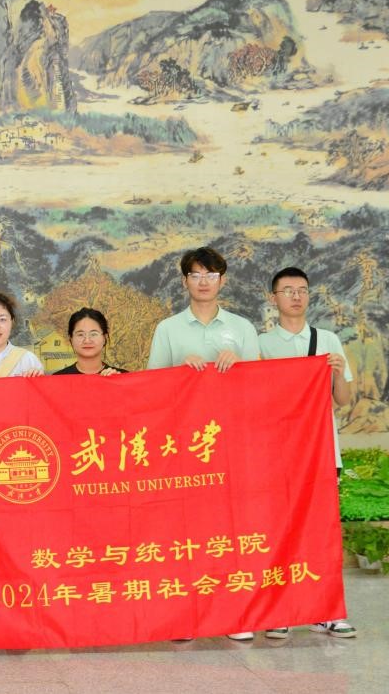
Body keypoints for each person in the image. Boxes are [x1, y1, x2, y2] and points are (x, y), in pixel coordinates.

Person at [145, 247, 260, 642]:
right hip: (184, 448)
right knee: (186, 532)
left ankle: (236, 615)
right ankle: (185, 615)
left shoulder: (242, 328)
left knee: (232, 528)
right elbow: (151, 390)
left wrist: (241, 367)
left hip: (232, 446)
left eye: (211, 274)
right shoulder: (169, 329)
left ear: (222, 280)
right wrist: (179, 374)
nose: (204, 281)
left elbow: (262, 387)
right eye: (195, 275)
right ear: (184, 282)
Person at [258, 266, 358, 639]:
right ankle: (279, 612)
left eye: (302, 289)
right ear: (273, 298)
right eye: (287, 290)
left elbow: (343, 400)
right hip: (277, 458)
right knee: (278, 535)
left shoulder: (328, 340)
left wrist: (338, 372)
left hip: (321, 453)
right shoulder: (261, 344)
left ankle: (326, 611)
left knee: (321, 535)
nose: (296, 296)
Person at [53, 308, 127, 375]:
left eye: (93, 334)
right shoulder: (57, 379)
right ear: (71, 339)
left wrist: (117, 382)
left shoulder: (122, 376)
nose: (87, 340)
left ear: (104, 338)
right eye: (80, 334)